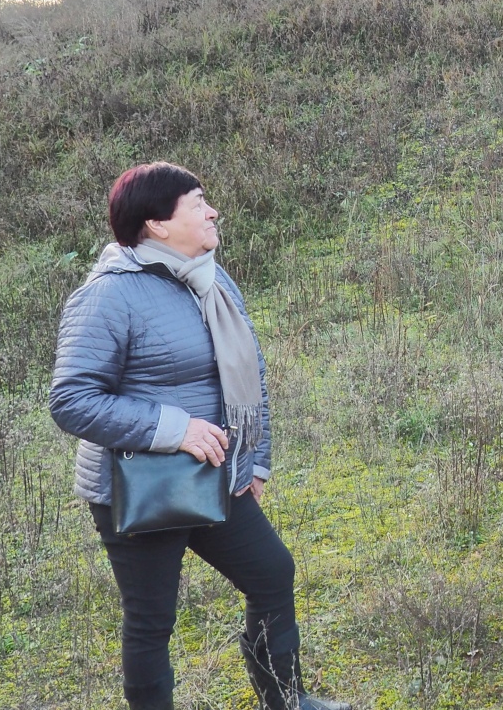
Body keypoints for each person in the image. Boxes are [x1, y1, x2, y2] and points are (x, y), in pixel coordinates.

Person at [49, 162, 348, 710]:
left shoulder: (208, 277)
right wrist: (174, 428)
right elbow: (71, 400)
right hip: (141, 485)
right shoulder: (107, 296)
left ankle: (285, 699)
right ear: (157, 224)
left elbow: (247, 372)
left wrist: (254, 461)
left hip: (215, 476)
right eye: (198, 202)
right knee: (152, 619)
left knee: (272, 574)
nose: (212, 212)